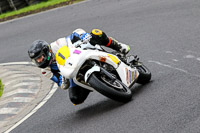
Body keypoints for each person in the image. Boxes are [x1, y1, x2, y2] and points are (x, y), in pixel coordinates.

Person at [28, 28, 130, 105]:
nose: (39, 61)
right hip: (72, 72)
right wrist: (64, 80)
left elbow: (74, 34)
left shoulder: (57, 45)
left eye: (40, 57)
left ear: (46, 51)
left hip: (80, 53)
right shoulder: (45, 70)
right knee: (75, 99)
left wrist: (83, 36)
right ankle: (95, 82)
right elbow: (62, 85)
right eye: (36, 60)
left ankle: (118, 46)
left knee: (95, 34)